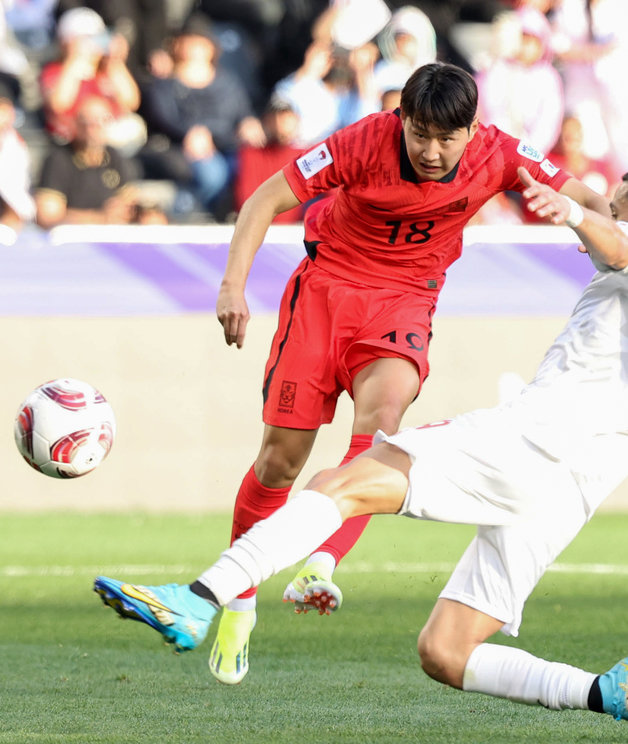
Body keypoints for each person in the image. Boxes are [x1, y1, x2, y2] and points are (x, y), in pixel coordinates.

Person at [110, 62, 612, 686]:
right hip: (325, 291)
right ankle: (239, 602)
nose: (431, 151)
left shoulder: (504, 153)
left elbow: (590, 200)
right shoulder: (360, 143)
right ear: (401, 120)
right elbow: (266, 199)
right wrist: (232, 286)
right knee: (279, 462)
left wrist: (568, 202)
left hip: (404, 301)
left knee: (382, 431)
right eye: (419, 133)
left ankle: (319, 563)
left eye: (445, 139)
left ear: (471, 130)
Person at [137, 12, 265, 220]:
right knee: (212, 174)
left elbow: (242, 111)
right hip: (183, 148)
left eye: (200, 43)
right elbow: (162, 116)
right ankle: (192, 217)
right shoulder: (166, 83)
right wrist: (190, 133)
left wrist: (249, 122)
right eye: (189, 42)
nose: (195, 49)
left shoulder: (227, 82)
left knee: (250, 169)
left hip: (227, 143)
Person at [39, 6, 145, 156]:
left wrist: (115, 62)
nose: (91, 45)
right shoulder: (55, 71)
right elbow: (58, 104)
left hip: (110, 141)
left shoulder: (106, 71)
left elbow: (131, 102)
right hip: (73, 142)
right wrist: (74, 62)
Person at [35, 94, 137, 228]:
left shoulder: (113, 157)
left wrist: (126, 211)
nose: (94, 129)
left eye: (102, 121)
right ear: (76, 124)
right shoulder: (59, 160)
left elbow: (129, 201)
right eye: (88, 123)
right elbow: (47, 217)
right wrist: (100, 218)